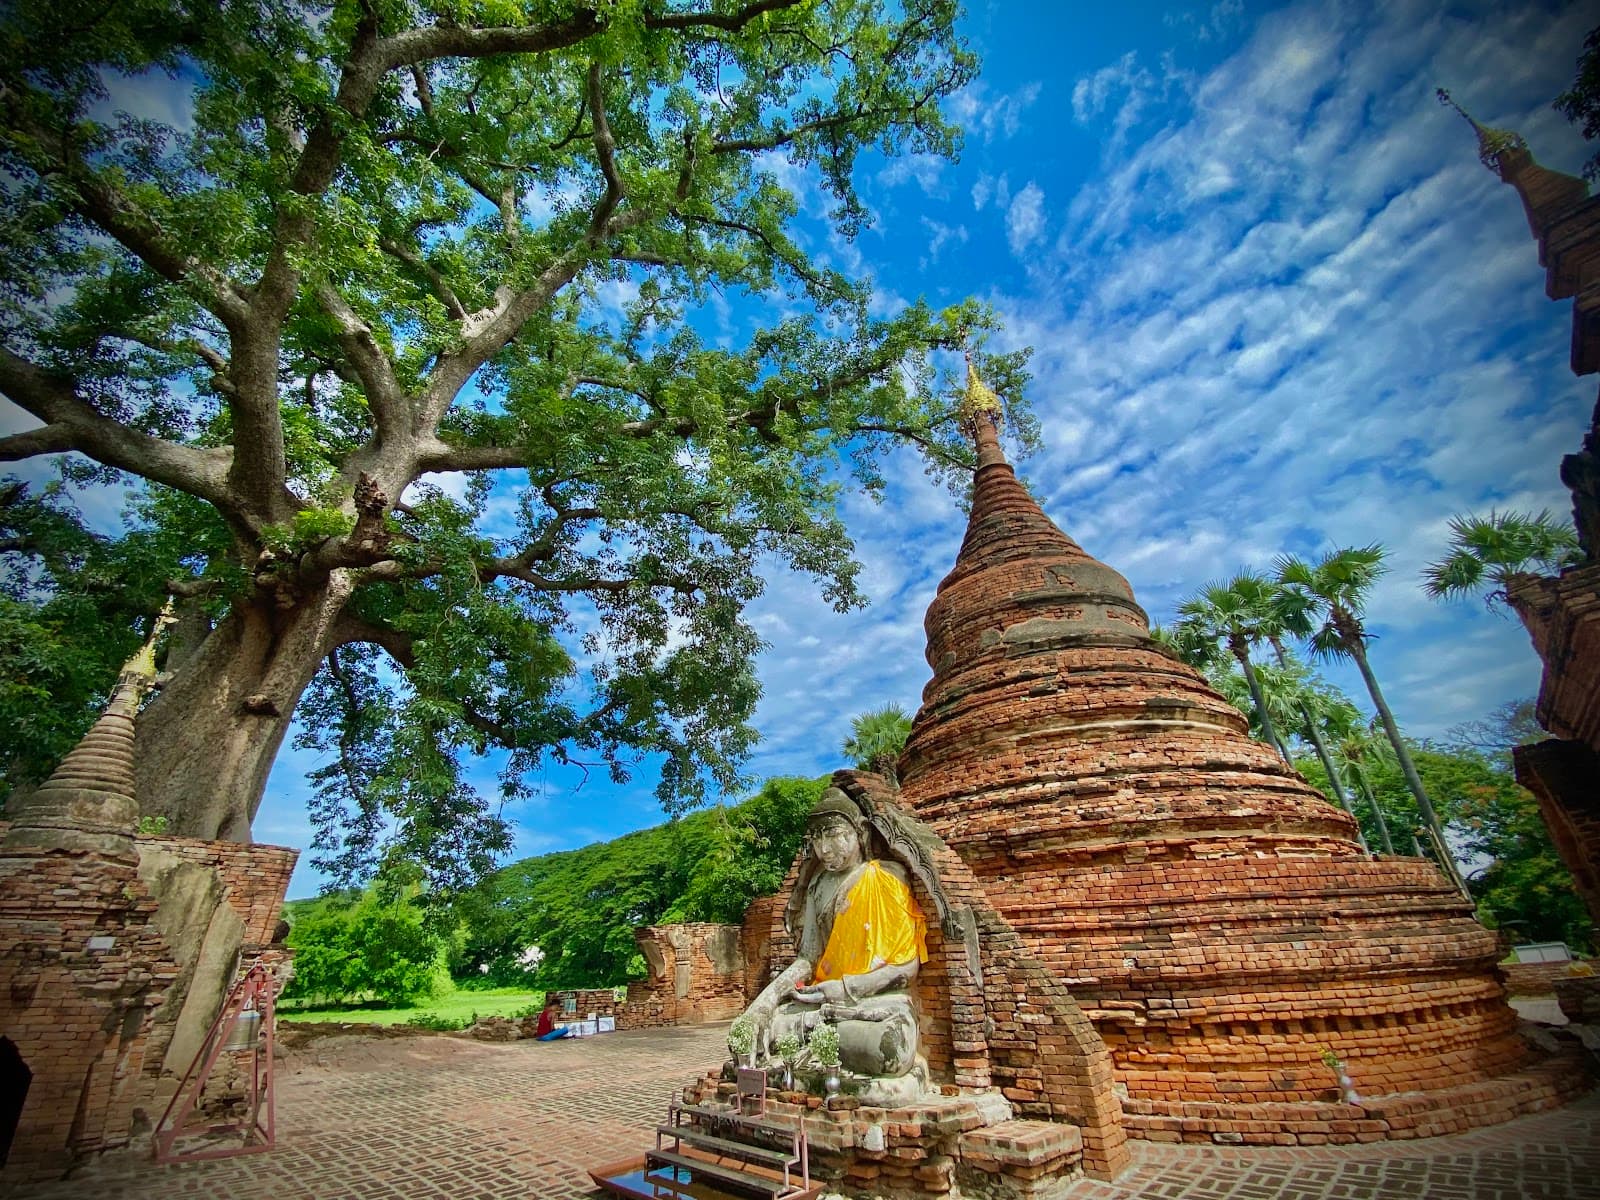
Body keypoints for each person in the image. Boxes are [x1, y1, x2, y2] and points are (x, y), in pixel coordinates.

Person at [731, 787, 930, 1103]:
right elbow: (808, 958)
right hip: (821, 1003)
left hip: (878, 1003)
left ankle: (797, 1061)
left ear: (860, 831)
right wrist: (762, 1004)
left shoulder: (887, 877)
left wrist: (849, 988)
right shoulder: (817, 886)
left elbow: (908, 967)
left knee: (889, 1047)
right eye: (816, 839)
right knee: (753, 1031)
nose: (824, 849)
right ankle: (807, 1056)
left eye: (834, 835)